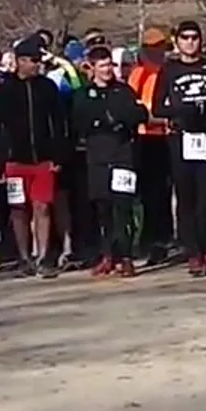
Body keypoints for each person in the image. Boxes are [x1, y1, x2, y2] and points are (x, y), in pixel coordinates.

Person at [0, 38, 67, 277]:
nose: (36, 65)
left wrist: (59, 155)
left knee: (42, 206)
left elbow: (58, 123)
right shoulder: (3, 90)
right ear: (20, 61)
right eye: (32, 61)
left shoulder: (47, 88)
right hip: (14, 161)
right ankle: (24, 257)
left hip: (43, 159)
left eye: (38, 60)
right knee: (18, 209)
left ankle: (43, 256)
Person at [156, 21, 206, 276]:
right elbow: (157, 107)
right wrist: (181, 110)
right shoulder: (169, 69)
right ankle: (193, 253)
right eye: (185, 37)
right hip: (181, 138)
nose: (190, 42)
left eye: (194, 37)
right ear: (177, 41)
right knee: (186, 198)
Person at [72, 46, 148, 276]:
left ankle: (125, 256)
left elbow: (138, 115)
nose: (108, 70)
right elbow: (80, 123)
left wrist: (116, 120)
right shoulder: (84, 95)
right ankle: (107, 255)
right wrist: (102, 122)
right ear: (92, 68)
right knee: (103, 208)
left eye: (110, 65)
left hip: (122, 155)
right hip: (98, 157)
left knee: (122, 208)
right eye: (103, 66)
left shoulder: (123, 91)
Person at [127, 28, 174, 264]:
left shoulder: (170, 71)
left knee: (164, 192)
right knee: (148, 192)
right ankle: (150, 238)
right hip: (145, 136)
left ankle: (164, 237)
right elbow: (132, 104)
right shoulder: (138, 74)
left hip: (168, 135)